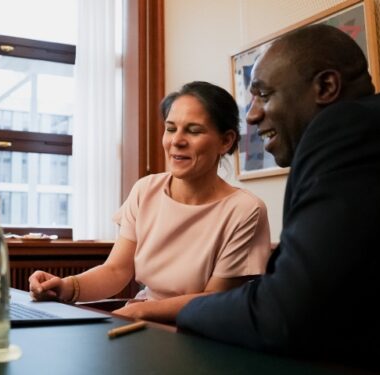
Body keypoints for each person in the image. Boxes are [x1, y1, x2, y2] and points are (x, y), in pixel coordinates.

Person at [177, 24, 380, 373]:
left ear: (326, 86)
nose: (252, 114)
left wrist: (185, 314)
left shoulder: (352, 129)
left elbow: (288, 314)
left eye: (263, 94)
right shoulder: (376, 125)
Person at [29, 81, 272, 323]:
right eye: (170, 128)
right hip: (142, 324)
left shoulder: (245, 210)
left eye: (194, 130)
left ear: (226, 141)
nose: (176, 140)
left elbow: (214, 299)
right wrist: (65, 287)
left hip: (202, 332)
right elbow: (116, 270)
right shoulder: (145, 190)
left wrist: (140, 311)